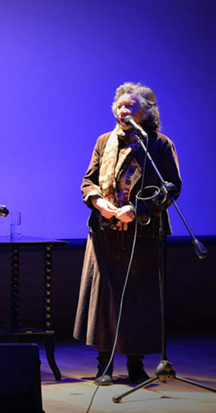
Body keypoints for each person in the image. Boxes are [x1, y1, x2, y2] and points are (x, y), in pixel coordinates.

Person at [73, 82, 182, 386]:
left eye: (130, 106)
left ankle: (136, 365)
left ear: (147, 112)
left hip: (144, 233)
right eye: (120, 106)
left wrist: (137, 209)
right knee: (105, 297)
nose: (123, 110)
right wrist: (98, 202)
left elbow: (171, 186)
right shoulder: (104, 141)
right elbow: (88, 180)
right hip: (105, 230)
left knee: (139, 299)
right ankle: (103, 364)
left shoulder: (160, 144)